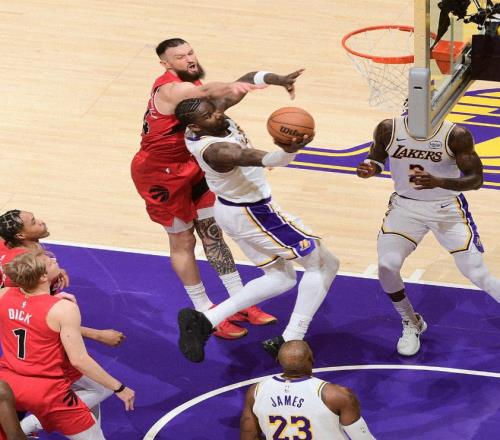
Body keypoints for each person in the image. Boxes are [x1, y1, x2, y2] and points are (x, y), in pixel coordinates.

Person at [131, 38, 303, 338]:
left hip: (191, 165)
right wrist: (243, 86)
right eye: (180, 57)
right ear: (165, 64)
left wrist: (274, 79)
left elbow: (232, 91)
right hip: (159, 174)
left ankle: (239, 301)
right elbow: (221, 92)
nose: (189, 59)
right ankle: (204, 310)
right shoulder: (173, 89)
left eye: (190, 53)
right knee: (183, 240)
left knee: (212, 233)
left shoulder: (190, 83)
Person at [174, 90, 339, 363]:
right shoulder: (217, 151)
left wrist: (269, 79)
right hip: (254, 214)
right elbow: (267, 159)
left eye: (215, 109)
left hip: (234, 210)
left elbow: (238, 87)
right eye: (209, 114)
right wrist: (289, 148)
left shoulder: (207, 119)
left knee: (281, 278)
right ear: (195, 126)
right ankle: (292, 338)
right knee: (323, 264)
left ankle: (205, 321)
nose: (218, 113)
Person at [356, 116, 500, 356]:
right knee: (387, 266)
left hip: (447, 209)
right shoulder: (388, 128)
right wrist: (370, 168)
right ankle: (411, 321)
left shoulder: (456, 135)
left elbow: (476, 180)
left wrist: (439, 182)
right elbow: (377, 158)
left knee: (476, 272)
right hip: (405, 207)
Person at [0, 210, 125, 436]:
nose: (41, 221)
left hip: (18, 364)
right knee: (99, 386)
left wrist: (51, 282)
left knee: (95, 391)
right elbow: (44, 322)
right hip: (43, 369)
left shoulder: (20, 270)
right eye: (48, 262)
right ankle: (29, 426)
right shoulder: (25, 280)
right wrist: (97, 335)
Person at [240, 340, 376, 440]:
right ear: (312, 359)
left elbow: (249, 436)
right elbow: (362, 437)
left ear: (277, 360)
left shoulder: (256, 392)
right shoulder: (336, 396)